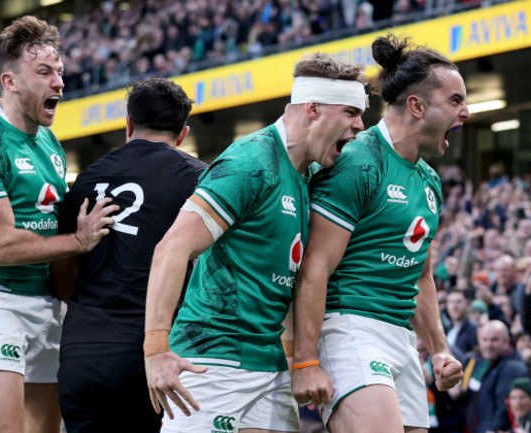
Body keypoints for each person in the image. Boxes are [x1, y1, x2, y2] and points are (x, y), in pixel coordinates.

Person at [144, 52, 366, 433]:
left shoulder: (307, 173)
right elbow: (172, 248)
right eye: (350, 112)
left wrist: (298, 357)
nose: (360, 125)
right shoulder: (251, 162)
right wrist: (156, 351)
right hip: (214, 359)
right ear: (313, 109)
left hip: (270, 366)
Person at [0, 16, 117, 433]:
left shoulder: (49, 142)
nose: (59, 82)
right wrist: (79, 240)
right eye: (44, 73)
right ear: (10, 81)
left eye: (59, 71)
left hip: (43, 303)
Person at [290, 34, 468, 433]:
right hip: (348, 328)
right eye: (455, 100)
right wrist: (305, 361)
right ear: (417, 106)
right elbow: (314, 267)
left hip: (401, 339)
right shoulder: (357, 162)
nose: (466, 112)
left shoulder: (429, 181)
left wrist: (439, 350)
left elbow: (419, 274)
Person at [54, 77, 207, 433]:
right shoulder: (196, 178)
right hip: (147, 353)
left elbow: (60, 278)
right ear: (182, 133)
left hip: (79, 353)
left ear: (128, 123)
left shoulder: (87, 179)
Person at [463, 320, 528, 433]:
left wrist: (491, 430)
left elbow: (504, 410)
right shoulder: (482, 362)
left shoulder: (512, 368)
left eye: (494, 340)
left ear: (506, 341)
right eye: (485, 340)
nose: (488, 345)